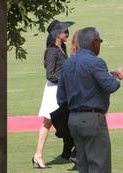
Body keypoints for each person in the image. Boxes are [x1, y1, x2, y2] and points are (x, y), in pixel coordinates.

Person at [57, 27, 123, 173]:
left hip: (73, 119)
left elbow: (60, 98)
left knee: (83, 166)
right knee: (99, 165)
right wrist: (117, 76)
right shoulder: (96, 62)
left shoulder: (68, 63)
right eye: (99, 41)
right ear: (94, 43)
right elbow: (111, 86)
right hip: (92, 119)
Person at [32, 20, 74, 169]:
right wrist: (65, 79)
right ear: (57, 34)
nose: (67, 33)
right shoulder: (51, 51)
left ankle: (67, 151)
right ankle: (38, 155)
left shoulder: (62, 48)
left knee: (60, 120)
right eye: (65, 31)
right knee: (48, 121)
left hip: (61, 90)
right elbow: (50, 75)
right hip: (53, 91)